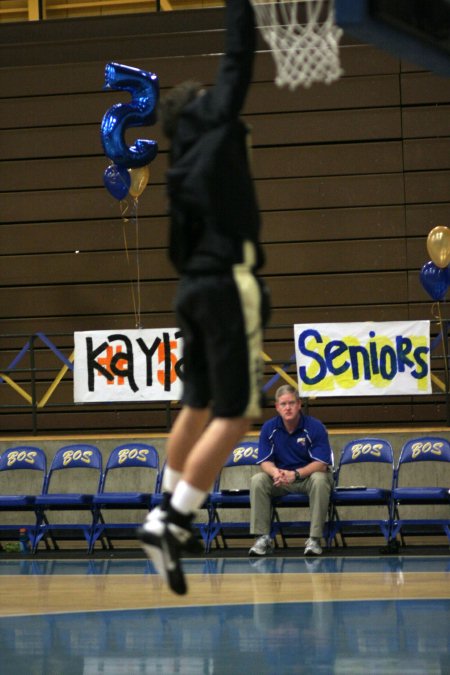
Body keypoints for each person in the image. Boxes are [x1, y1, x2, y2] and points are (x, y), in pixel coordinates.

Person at [137, 0, 269, 595]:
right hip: (223, 284)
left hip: (189, 289)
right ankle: (174, 518)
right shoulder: (214, 122)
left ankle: (161, 504)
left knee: (195, 402)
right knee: (238, 413)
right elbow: (239, 54)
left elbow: (173, 251)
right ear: (198, 108)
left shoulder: (179, 166)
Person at [249, 384, 334, 557]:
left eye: (291, 403)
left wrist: (295, 474)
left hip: (308, 479)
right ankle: (262, 538)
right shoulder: (268, 428)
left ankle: (315, 540)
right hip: (281, 480)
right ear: (277, 407)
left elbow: (322, 464)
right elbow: (265, 462)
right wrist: (275, 473)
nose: (288, 407)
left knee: (320, 479)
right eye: (283, 404)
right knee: (258, 480)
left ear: (299, 404)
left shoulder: (315, 426)